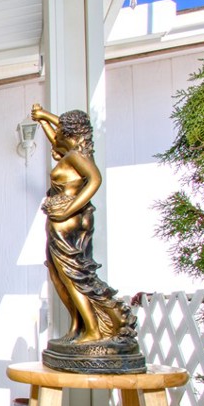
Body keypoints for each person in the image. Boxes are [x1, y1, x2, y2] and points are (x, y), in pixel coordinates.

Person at [31, 104, 133, 344]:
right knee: (58, 275)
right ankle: (78, 326)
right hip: (59, 222)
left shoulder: (78, 156)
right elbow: (57, 141)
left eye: (60, 128)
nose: (56, 133)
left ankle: (93, 330)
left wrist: (71, 208)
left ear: (69, 131)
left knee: (71, 275)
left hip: (67, 222)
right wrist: (43, 119)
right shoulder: (71, 153)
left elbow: (95, 179)